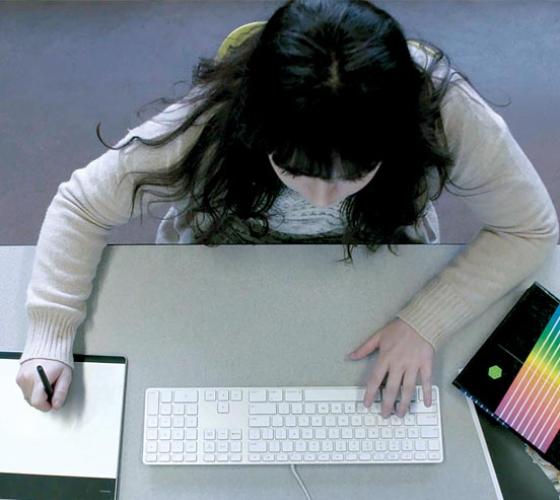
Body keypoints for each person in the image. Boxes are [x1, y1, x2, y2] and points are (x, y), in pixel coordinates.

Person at [15, 0, 558, 426]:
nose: (326, 200)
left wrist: (425, 321)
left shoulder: (445, 111)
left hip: (380, 272)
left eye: (355, 174)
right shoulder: (211, 119)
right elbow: (80, 204)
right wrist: (49, 335)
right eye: (299, 173)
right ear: (256, 127)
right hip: (217, 270)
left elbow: (531, 227)